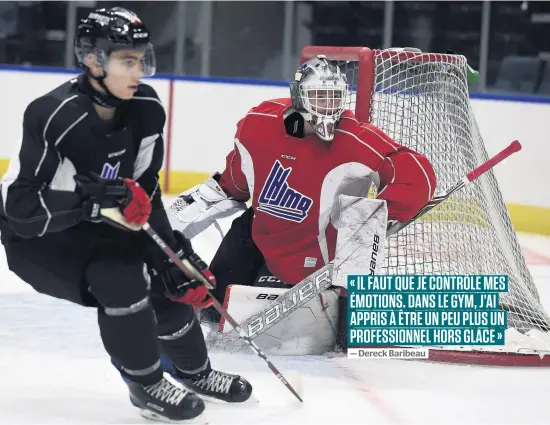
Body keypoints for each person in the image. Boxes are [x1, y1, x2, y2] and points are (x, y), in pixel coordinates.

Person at [0, 7, 251, 423]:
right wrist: (88, 201)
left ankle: (196, 372)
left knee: (172, 275)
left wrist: (173, 254)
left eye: (142, 59)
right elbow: (21, 211)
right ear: (93, 60)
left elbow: (146, 191)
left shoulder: (146, 109)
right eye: (127, 61)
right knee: (122, 277)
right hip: (40, 239)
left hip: (99, 225)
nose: (139, 72)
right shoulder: (55, 115)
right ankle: (146, 385)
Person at [167, 55, 437, 351]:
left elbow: (416, 172)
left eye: (334, 97)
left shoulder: (354, 138)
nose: (328, 106)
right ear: (299, 97)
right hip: (264, 241)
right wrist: (215, 191)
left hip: (319, 261)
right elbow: (238, 174)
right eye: (319, 97)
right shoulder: (259, 123)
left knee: (347, 326)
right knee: (212, 305)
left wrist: (381, 216)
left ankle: (349, 317)